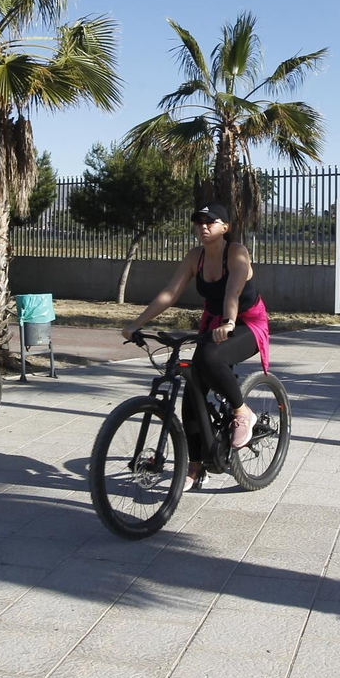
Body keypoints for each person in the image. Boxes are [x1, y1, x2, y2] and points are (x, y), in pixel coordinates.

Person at [122, 203, 271, 489]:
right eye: (198, 221)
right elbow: (169, 293)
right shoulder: (195, 257)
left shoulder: (237, 252)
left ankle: (242, 412)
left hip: (246, 324)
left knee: (211, 357)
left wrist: (228, 322)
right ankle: (194, 465)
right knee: (192, 386)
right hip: (214, 325)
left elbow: (233, 290)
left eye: (210, 221)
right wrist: (136, 324)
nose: (203, 226)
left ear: (224, 227)